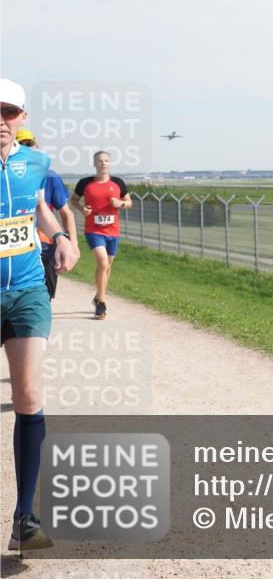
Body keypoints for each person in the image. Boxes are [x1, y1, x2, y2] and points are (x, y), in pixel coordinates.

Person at [1, 78, 80, 551]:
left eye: (8, 112)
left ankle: (24, 518)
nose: (0, 121)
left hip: (27, 288)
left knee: (28, 394)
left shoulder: (36, 163)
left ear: (22, 117)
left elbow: (38, 208)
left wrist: (63, 237)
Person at [14, 129, 76, 299]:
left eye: (29, 144)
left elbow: (66, 214)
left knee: (44, 300)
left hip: (46, 247)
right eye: (21, 144)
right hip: (17, 252)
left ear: (37, 145)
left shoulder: (50, 177)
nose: (27, 148)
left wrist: (72, 244)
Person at [71, 150, 131, 319]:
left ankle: (98, 296)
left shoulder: (118, 183)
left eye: (106, 161)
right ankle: (102, 304)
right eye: (100, 161)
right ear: (94, 164)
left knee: (107, 266)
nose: (103, 163)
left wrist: (120, 203)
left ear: (110, 163)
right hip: (94, 230)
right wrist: (82, 209)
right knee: (103, 263)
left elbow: (129, 202)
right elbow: (73, 200)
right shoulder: (85, 183)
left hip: (113, 231)